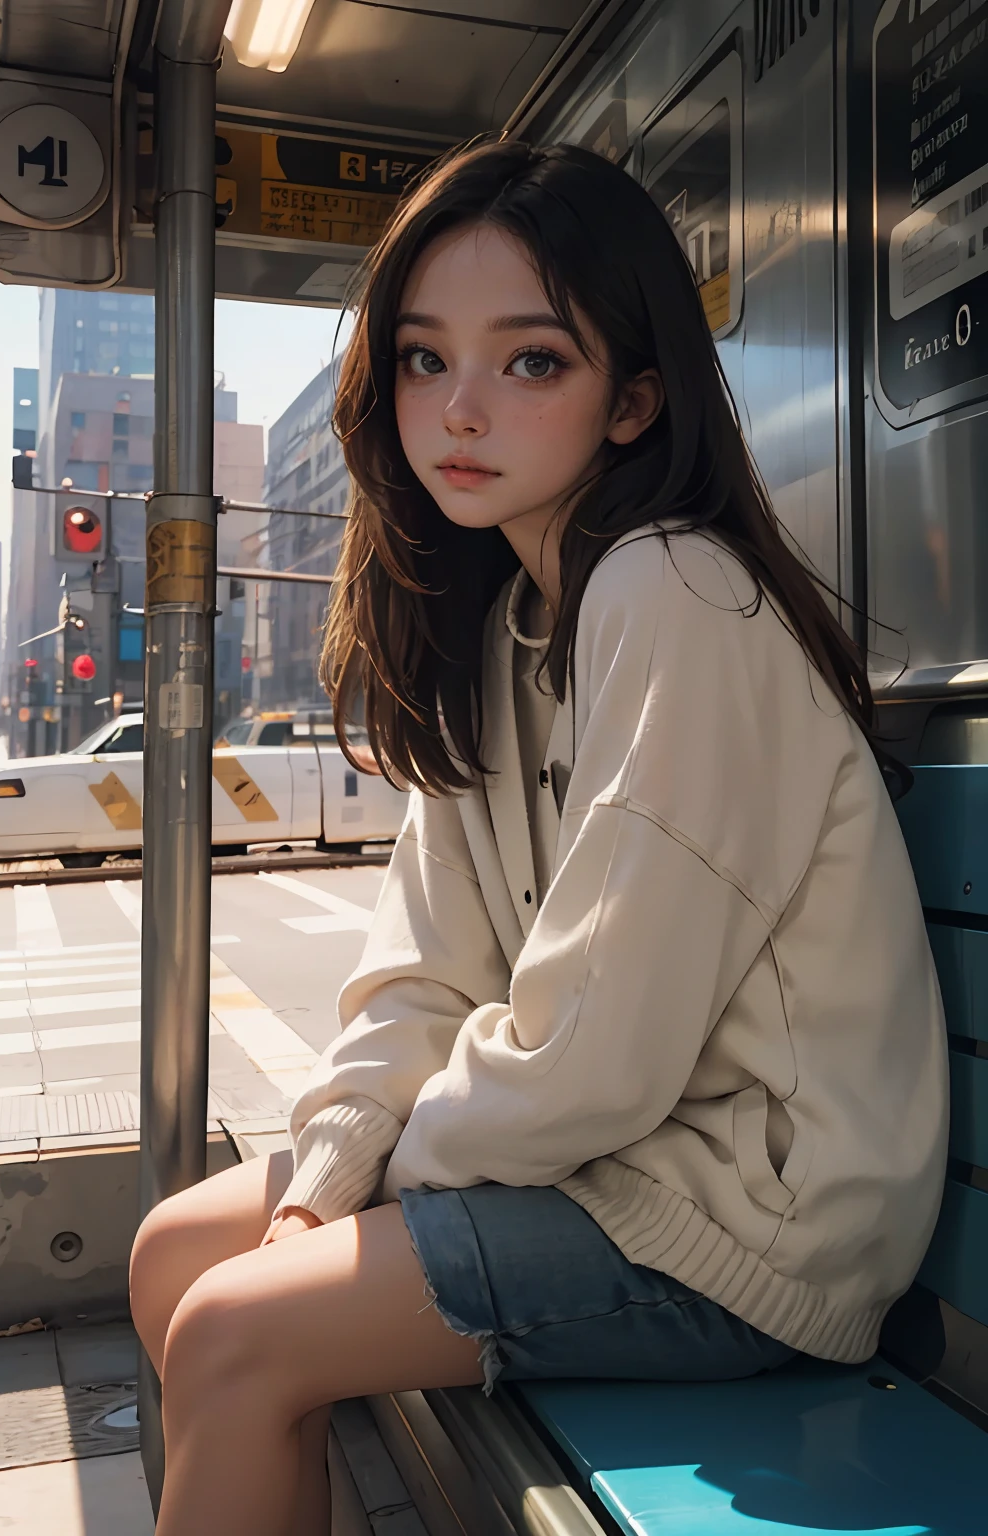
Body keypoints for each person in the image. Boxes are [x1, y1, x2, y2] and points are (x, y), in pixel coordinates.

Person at [129, 138, 948, 1535]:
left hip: (752, 1222)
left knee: (235, 1332)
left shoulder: (672, 591)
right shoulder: (506, 625)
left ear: (633, 399)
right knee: (172, 1253)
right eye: (423, 360)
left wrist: (381, 1191)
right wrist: (330, 1176)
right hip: (613, 1164)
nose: (458, 410)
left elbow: (600, 1042)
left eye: (530, 363)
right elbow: (424, 980)